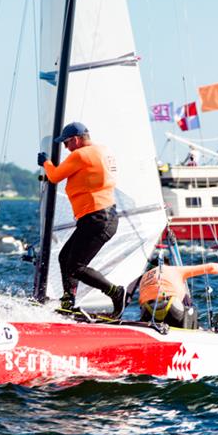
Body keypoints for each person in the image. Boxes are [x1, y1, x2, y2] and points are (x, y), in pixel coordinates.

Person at [37, 121, 125, 316]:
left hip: (98, 218)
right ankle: (68, 302)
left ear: (76, 140)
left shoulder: (81, 154)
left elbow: (55, 176)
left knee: (76, 266)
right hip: (101, 217)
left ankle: (115, 292)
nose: (66, 148)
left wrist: (45, 162)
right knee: (64, 258)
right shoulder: (103, 150)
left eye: (66, 143)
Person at [137, 260, 218, 329]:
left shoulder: (143, 278)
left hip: (148, 312)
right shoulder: (174, 269)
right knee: (189, 305)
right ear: (168, 264)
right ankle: (196, 330)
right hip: (171, 307)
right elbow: (211, 267)